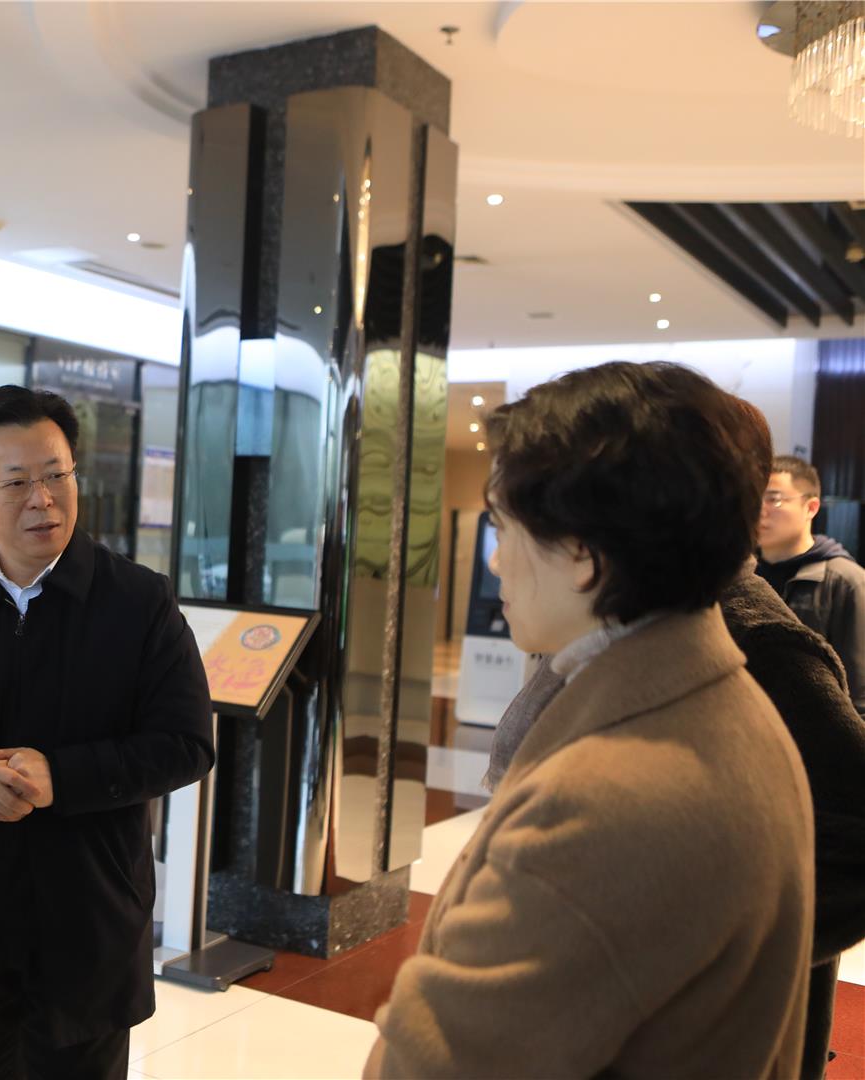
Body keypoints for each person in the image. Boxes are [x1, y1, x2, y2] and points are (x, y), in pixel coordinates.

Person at [365, 362, 815, 1078]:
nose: (495, 560)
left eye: (504, 527)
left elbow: (431, 1065)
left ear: (581, 552)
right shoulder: (717, 698)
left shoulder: (605, 801)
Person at [480, 400, 865, 1079]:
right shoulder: (617, 631)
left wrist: (685, 960)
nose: (499, 557)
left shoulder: (748, 641)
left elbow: (851, 834)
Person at [0, 385, 213, 1079]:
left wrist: (65, 777)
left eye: (57, 475)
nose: (43, 499)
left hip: (86, 914)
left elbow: (186, 742)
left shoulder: (138, 602)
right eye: (17, 481)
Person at [757, 454, 865, 717]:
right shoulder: (741, 574)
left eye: (773, 499)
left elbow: (860, 693)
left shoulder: (846, 581)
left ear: (811, 507)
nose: (760, 510)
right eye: (754, 497)